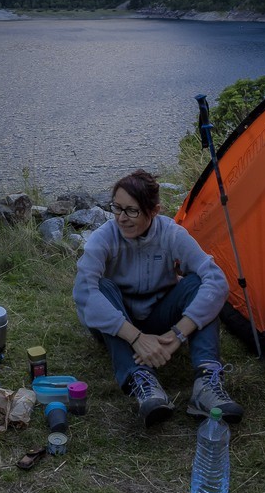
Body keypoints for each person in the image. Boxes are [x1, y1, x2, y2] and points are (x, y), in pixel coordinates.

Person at [72, 169, 243, 426]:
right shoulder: (104, 237)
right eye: (117, 208)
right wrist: (136, 337)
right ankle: (143, 381)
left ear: (154, 211)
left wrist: (177, 335)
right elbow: (84, 291)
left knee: (199, 284)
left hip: (160, 316)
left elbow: (216, 281)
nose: (122, 218)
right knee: (102, 287)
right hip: (120, 321)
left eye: (132, 211)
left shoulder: (170, 233)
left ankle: (206, 385)